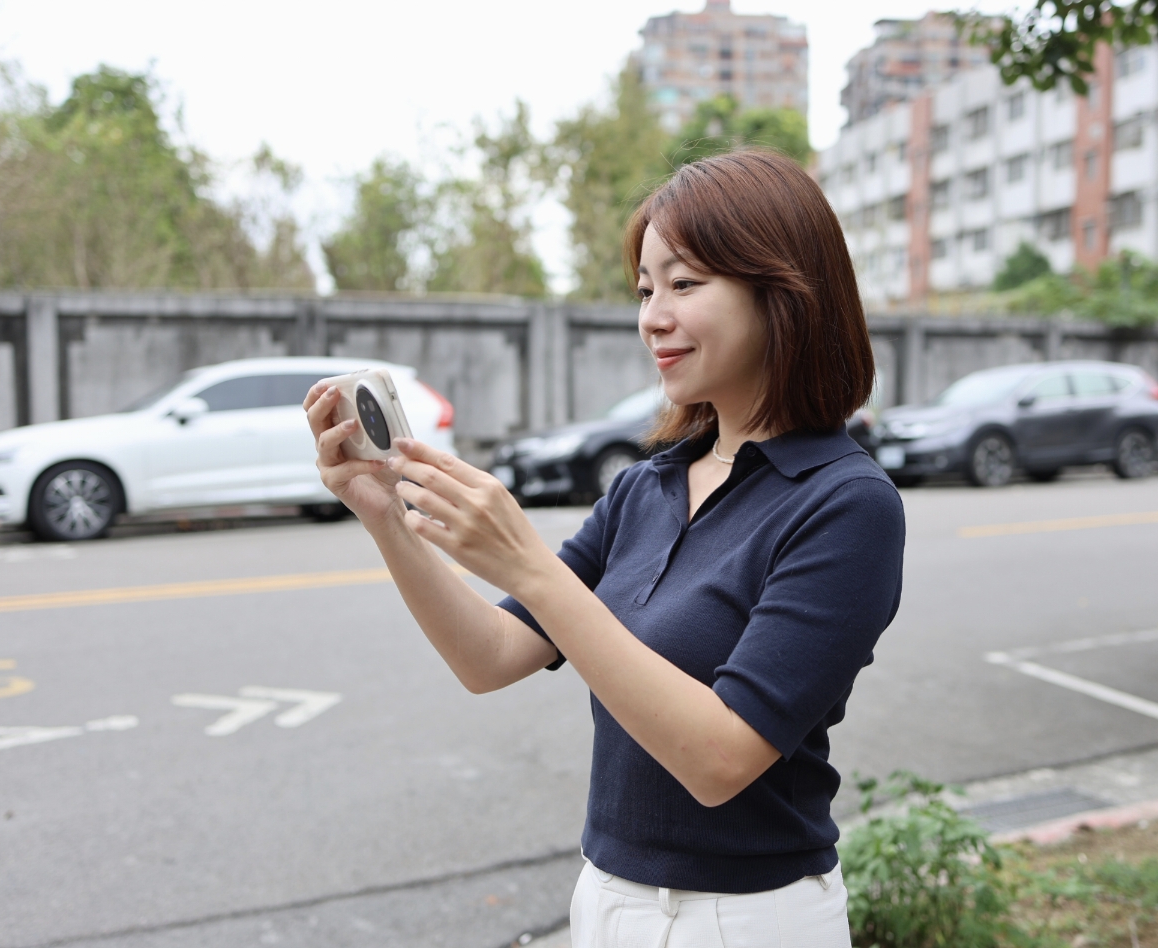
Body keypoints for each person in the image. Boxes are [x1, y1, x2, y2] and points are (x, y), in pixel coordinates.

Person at [304, 148, 904, 946]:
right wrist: (384, 516)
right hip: (609, 901)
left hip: (748, 918)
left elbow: (721, 759)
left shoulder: (846, 504)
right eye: (646, 289)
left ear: (783, 290)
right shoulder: (646, 487)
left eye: (686, 284)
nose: (653, 316)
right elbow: (490, 657)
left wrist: (528, 566)